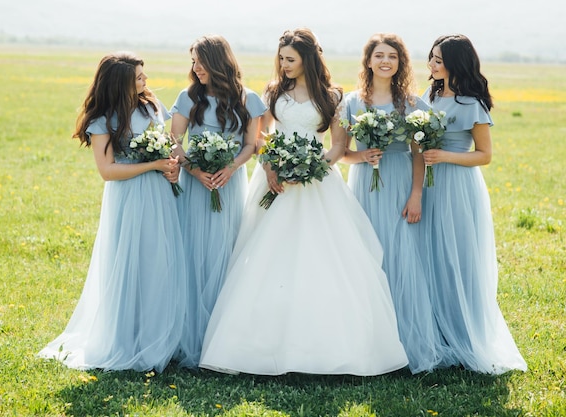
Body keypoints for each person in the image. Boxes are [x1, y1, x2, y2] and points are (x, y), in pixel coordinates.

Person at [199, 28, 408, 376]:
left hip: (317, 184)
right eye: (281, 59)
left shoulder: (332, 96)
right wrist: (270, 169)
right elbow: (261, 138)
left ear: (308, 59)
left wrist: (313, 168)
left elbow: (339, 146)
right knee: (267, 257)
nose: (284, 65)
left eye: (290, 60)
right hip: (274, 180)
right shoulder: (273, 91)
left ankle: (323, 346)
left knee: (321, 257)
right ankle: (258, 345)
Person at [38, 52, 186, 372]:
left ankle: (159, 336)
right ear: (120, 83)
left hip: (159, 195)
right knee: (131, 262)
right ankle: (126, 339)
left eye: (144, 76)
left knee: (158, 262)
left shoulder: (152, 107)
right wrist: (153, 165)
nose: (145, 81)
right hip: (129, 198)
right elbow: (107, 170)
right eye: (138, 78)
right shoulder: (102, 120)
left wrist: (170, 168)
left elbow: (168, 146)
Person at [420, 34, 527, 374]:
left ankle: (466, 333)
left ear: (456, 62)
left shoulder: (472, 104)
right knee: (431, 254)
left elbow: (485, 155)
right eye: (431, 59)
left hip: (457, 186)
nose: (433, 65)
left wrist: (445, 156)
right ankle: (436, 331)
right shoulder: (429, 96)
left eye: (439, 59)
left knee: (459, 256)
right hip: (428, 184)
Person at [342, 33, 441, 374]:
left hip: (400, 182)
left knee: (401, 257)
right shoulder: (352, 102)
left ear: (400, 63)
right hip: (365, 185)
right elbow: (341, 153)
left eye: (393, 57)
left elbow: (420, 155)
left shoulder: (413, 105)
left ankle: (404, 342)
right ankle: (368, 343)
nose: (386, 61)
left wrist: (416, 195)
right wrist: (362, 155)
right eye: (379, 55)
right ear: (368, 61)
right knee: (366, 258)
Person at [170, 35, 265, 368]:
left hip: (229, 183)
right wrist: (195, 170)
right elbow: (174, 141)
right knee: (192, 252)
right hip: (195, 185)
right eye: (192, 62)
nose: (195, 68)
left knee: (224, 253)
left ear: (217, 61)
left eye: (200, 61)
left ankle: (221, 339)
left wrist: (230, 167)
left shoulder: (249, 99)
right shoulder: (188, 97)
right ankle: (187, 335)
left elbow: (251, 146)